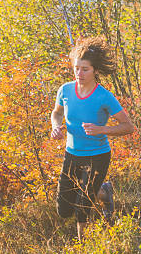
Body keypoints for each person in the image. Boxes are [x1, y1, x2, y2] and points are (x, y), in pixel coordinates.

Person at [50, 37, 135, 240]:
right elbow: (57, 113)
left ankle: (83, 246)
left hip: (97, 156)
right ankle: (104, 192)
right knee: (64, 209)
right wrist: (55, 126)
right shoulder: (66, 90)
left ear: (95, 70)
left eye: (85, 69)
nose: (79, 73)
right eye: (76, 68)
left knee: (82, 206)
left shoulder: (104, 97)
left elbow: (129, 126)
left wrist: (101, 130)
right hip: (72, 155)